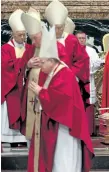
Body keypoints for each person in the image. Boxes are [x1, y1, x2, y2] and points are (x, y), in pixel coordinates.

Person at [26, 25, 94, 172]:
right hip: (61, 124)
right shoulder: (54, 71)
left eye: (43, 63)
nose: (41, 66)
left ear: (52, 60)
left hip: (66, 127)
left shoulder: (64, 74)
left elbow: (62, 101)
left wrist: (41, 92)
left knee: (64, 159)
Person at [20, 7, 68, 145]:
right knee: (33, 140)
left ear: (42, 33)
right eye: (31, 38)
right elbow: (20, 72)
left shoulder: (57, 47)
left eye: (35, 38)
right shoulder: (30, 50)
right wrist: (27, 66)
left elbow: (64, 72)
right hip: (31, 99)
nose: (33, 42)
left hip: (48, 98)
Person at [44, 0, 90, 108]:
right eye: (56, 28)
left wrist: (71, 73)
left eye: (60, 27)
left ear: (64, 26)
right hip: (50, 81)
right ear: (51, 27)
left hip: (69, 81)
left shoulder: (71, 40)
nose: (58, 30)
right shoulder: (45, 40)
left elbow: (82, 60)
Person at [1, 9, 28, 147]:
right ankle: (11, 138)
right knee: (12, 108)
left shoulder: (28, 48)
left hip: (26, 87)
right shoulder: (5, 48)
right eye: (19, 35)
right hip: (12, 87)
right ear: (13, 34)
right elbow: (6, 66)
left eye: (24, 35)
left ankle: (23, 138)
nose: (22, 37)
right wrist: (24, 63)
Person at [76, 30, 105, 135]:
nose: (81, 40)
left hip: (88, 80)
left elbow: (96, 64)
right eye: (79, 38)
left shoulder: (91, 50)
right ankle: (77, 130)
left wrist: (89, 68)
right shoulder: (71, 50)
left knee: (88, 104)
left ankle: (88, 130)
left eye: (83, 38)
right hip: (75, 81)